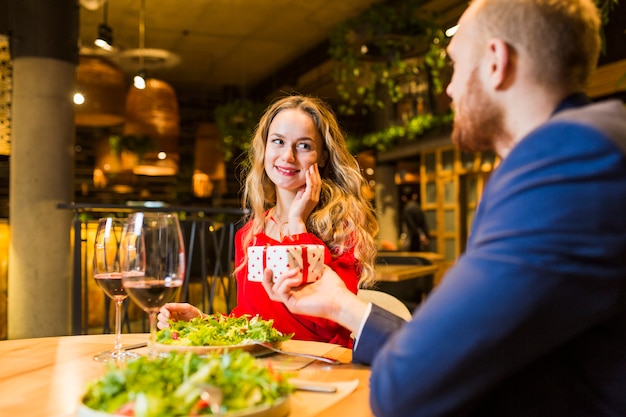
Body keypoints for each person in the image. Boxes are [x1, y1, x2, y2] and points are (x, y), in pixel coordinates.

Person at [262, 0, 626, 415]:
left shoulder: (569, 162)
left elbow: (410, 384)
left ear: (495, 62)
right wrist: (339, 304)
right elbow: (470, 350)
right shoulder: (582, 146)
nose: (449, 89)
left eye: (454, 65)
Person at [158, 95, 379, 348]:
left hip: (323, 368)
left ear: (323, 157)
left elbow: (330, 323)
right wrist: (204, 322)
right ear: (265, 149)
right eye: (278, 141)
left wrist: (298, 225)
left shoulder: (341, 226)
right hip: (266, 368)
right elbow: (252, 321)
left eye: (304, 146)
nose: (288, 156)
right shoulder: (251, 233)